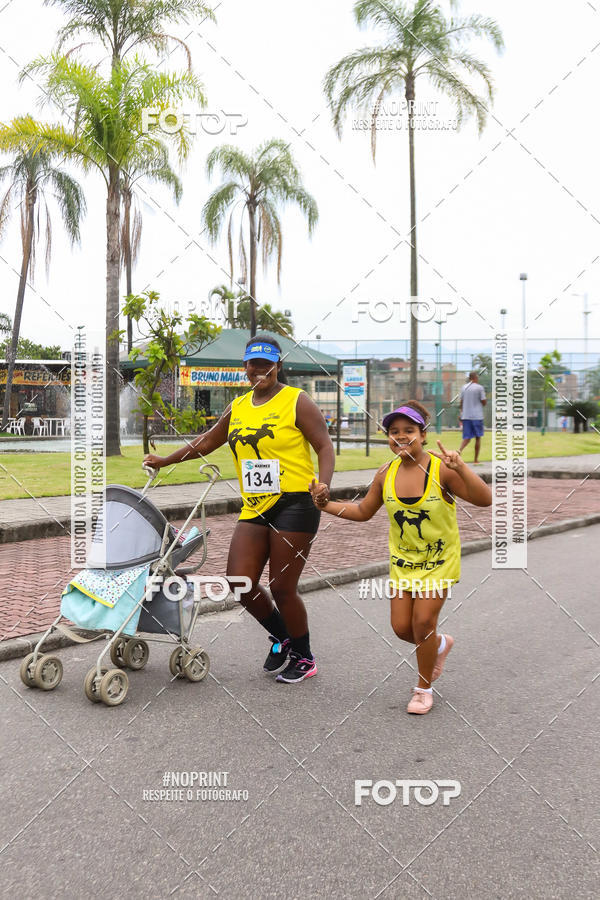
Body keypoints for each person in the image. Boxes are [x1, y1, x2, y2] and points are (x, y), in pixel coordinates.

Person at [143, 334, 334, 684]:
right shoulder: (239, 406)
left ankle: (304, 658)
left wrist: (323, 484)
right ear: (244, 367)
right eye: (253, 364)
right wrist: (164, 461)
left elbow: (324, 445)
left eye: (267, 364)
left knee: (281, 586)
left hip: (296, 503)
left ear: (278, 366)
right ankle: (282, 636)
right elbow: (206, 442)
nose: (259, 370)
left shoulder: (297, 401)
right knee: (239, 580)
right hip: (256, 505)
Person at [310, 401, 491, 715]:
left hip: (439, 561)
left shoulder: (442, 468)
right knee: (400, 628)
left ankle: (423, 689)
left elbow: (485, 499)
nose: (401, 436)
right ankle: (441, 644)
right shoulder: (385, 472)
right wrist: (325, 505)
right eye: (394, 432)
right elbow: (364, 512)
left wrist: (461, 466)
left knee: (422, 624)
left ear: (422, 434)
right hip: (404, 563)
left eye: (409, 430)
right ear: (387, 438)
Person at [459, 371, 487, 464]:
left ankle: (458, 451)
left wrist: (461, 413)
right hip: (477, 416)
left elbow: (461, 402)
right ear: (475, 378)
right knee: (478, 438)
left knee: (467, 438)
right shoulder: (480, 388)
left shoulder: (464, 387)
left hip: (466, 416)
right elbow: (483, 402)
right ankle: (475, 460)